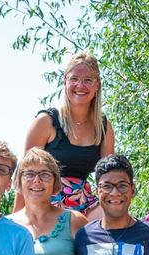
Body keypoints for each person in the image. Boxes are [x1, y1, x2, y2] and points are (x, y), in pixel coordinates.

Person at [19, 51, 115, 221]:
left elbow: (108, 178)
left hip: (85, 203)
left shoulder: (103, 127)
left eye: (88, 80)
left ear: (97, 85)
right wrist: (17, 221)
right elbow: (24, 175)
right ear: (65, 81)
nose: (80, 85)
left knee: (112, 215)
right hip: (46, 200)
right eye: (74, 79)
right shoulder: (46, 122)